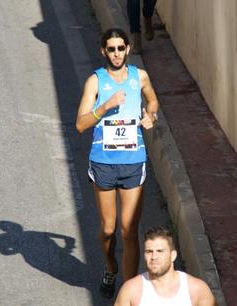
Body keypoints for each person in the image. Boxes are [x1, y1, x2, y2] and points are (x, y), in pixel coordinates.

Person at [76, 28, 159, 299]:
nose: (116, 54)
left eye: (120, 48)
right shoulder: (96, 82)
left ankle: (129, 291)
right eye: (110, 49)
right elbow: (80, 124)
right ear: (103, 51)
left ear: (128, 48)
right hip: (103, 162)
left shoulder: (139, 76)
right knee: (109, 230)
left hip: (133, 160)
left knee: (129, 230)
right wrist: (105, 106)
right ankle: (111, 265)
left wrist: (151, 115)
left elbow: (153, 100)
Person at [115, 226, 218, 306]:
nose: (154, 257)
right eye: (149, 251)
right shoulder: (131, 290)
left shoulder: (196, 289)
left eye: (160, 251)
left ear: (173, 255)